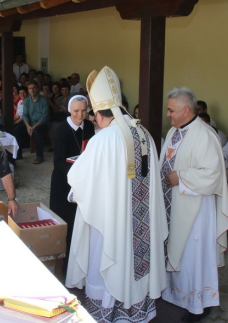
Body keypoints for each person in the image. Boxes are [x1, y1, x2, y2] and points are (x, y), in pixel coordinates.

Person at [66, 66, 167, 323]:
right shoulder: (145, 134)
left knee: (109, 257)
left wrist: (76, 193)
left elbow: (79, 178)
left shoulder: (103, 139)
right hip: (141, 223)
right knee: (135, 259)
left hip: (112, 221)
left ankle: (108, 309)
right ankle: (136, 309)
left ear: (99, 114)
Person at [160, 87, 228, 322]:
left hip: (197, 209)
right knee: (177, 249)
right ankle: (175, 294)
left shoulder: (204, 134)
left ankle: (199, 305)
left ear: (186, 110)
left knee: (193, 256)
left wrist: (180, 177)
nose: (168, 114)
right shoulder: (174, 132)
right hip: (175, 203)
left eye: (171, 110)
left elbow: (213, 174)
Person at [50, 95, 95, 275]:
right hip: (64, 183)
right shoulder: (61, 130)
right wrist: (78, 171)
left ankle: (82, 266)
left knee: (83, 225)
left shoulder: (90, 127)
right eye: (76, 111)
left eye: (84, 110)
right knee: (67, 227)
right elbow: (58, 162)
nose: (80, 115)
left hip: (84, 182)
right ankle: (67, 268)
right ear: (69, 110)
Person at [13, 81, 49, 164]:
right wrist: (28, 126)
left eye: (34, 88)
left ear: (37, 89)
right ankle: (18, 154)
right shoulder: (27, 101)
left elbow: (45, 117)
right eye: (30, 88)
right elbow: (25, 115)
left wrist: (33, 127)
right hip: (30, 124)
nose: (32, 90)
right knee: (17, 130)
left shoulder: (43, 100)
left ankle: (39, 156)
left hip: (41, 124)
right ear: (28, 90)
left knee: (36, 131)